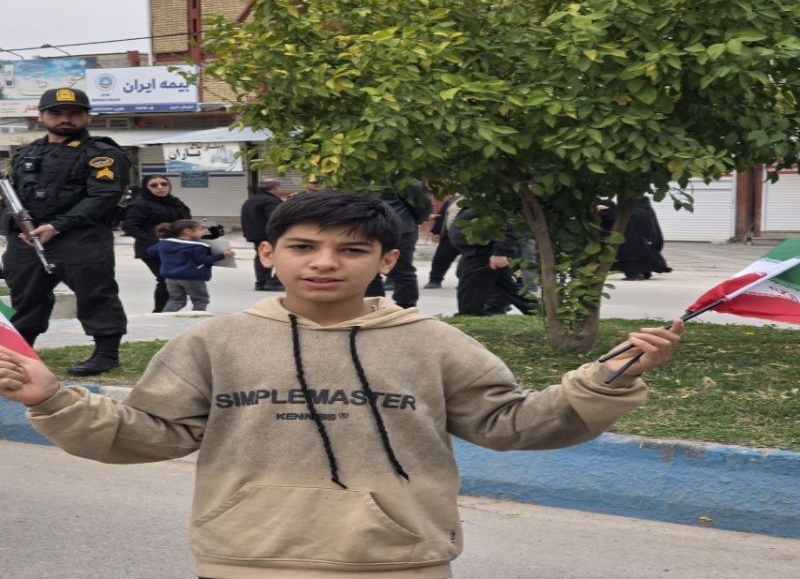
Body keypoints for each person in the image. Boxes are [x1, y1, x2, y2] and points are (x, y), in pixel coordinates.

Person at [0, 190, 682, 579]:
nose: (325, 262)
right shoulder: (214, 342)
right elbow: (151, 435)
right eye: (303, 247)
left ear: (386, 260)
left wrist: (604, 380)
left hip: (399, 562)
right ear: (267, 254)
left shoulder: (431, 341)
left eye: (352, 250)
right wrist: (53, 400)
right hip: (247, 560)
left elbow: (511, 424)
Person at [1, 87, 128, 376]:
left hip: (80, 237)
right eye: (56, 113)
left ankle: (106, 354)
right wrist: (16, 227)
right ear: (41, 116)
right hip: (28, 238)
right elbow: (13, 194)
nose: (65, 119)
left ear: (87, 117)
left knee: (95, 293)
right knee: (25, 295)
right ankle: (23, 351)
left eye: (74, 113)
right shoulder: (26, 153)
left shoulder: (103, 154)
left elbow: (103, 196)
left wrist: (57, 226)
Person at [449, 205, 539, 316]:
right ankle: (539, 311)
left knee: (471, 288)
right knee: (507, 287)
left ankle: (469, 314)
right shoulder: (481, 201)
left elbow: (507, 226)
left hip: (486, 251)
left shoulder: (497, 202)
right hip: (477, 251)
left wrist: (501, 252)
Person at [121, 175, 192, 311]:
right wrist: (155, 241)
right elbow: (130, 226)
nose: (160, 187)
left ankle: (169, 309)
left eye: (164, 184)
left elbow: (186, 222)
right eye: (154, 185)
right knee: (165, 278)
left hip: (175, 247)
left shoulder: (175, 202)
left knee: (176, 278)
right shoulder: (140, 203)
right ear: (146, 188)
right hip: (151, 249)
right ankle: (160, 311)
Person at [365, 181, 432, 307]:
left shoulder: (361, 175)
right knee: (402, 270)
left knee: (371, 269)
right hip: (400, 226)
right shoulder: (404, 178)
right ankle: (405, 306)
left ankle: (376, 306)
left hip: (374, 225)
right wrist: (415, 220)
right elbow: (422, 204)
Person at [146, 219, 234, 312]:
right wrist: (222, 255)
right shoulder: (196, 246)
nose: (204, 232)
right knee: (200, 300)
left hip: (170, 278)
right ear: (187, 231)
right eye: (200, 229)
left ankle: (166, 315)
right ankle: (197, 315)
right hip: (191, 278)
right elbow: (203, 260)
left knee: (176, 300)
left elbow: (151, 251)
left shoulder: (165, 243)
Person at [602, 197, 673, 281]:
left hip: (634, 241)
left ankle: (635, 274)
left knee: (630, 258)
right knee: (646, 255)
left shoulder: (632, 211)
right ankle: (645, 272)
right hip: (646, 238)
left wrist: (605, 210)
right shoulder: (646, 210)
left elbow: (611, 217)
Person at [240, 179, 284, 291]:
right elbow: (275, 219)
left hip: (255, 234)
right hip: (269, 234)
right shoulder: (270, 201)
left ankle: (262, 282)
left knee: (261, 256)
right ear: (274, 188)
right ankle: (275, 281)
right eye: (279, 188)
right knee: (279, 256)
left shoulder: (251, 199)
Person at [424, 195, 461, 289]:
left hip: (471, 237)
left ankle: (465, 281)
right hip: (450, 235)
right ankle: (435, 280)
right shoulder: (452, 200)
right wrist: (436, 231)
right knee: (441, 258)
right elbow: (442, 216)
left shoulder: (479, 200)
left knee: (468, 261)